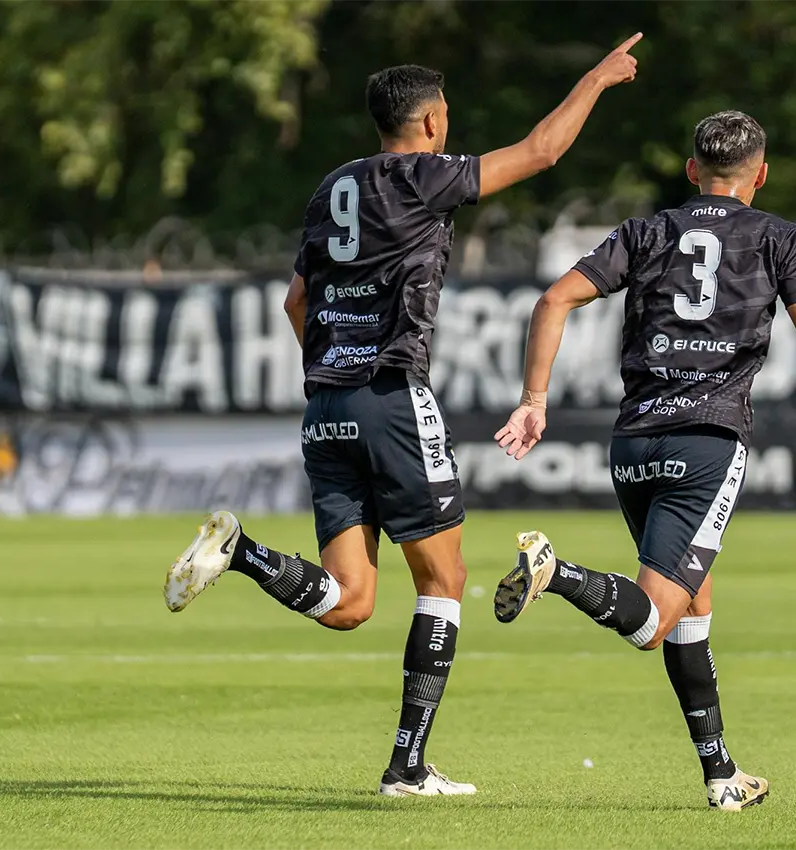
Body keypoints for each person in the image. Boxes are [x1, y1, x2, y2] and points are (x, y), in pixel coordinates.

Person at [163, 35, 643, 796]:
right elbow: (543, 151)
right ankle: (407, 768)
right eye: (445, 114)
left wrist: (332, 373)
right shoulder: (428, 178)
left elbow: (296, 300)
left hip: (324, 406)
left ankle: (243, 551)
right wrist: (596, 78)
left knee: (350, 602)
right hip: (389, 397)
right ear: (429, 123)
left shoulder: (330, 188)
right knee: (445, 578)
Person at [492, 110, 780, 811]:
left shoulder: (648, 232)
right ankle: (555, 572)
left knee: (692, 609)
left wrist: (534, 399)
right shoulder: (776, 238)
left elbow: (555, 298)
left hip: (635, 442)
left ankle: (722, 776)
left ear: (690, 172)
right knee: (654, 621)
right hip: (707, 441)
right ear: (761, 173)